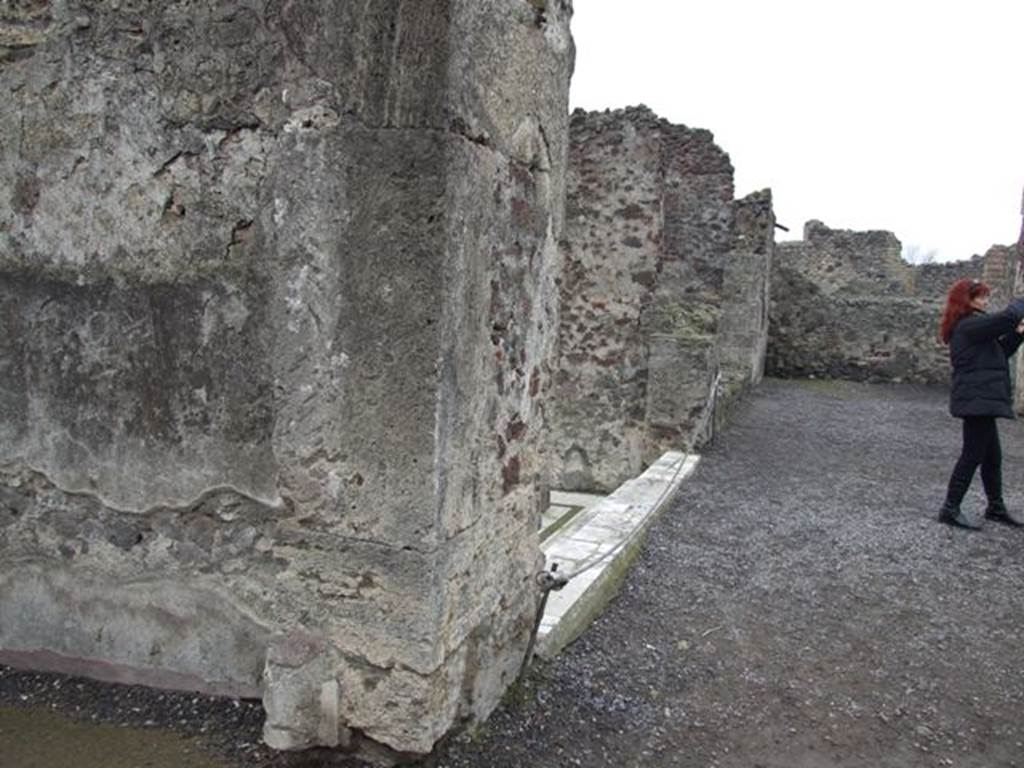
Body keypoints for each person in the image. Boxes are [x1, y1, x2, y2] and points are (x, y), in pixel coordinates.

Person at [938, 278, 1024, 529]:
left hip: (980, 399)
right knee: (972, 454)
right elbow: (1008, 317)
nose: (986, 301)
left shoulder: (972, 327)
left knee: (992, 456)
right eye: (982, 297)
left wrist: (1018, 335)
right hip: (977, 399)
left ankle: (995, 507)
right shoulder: (969, 325)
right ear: (968, 300)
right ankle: (950, 508)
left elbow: (999, 353)